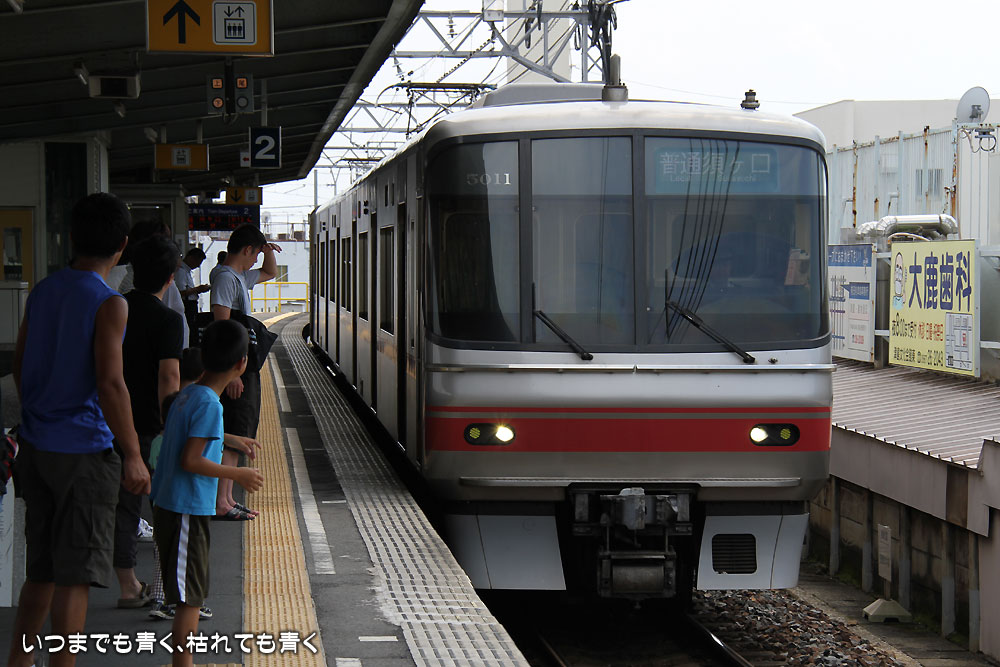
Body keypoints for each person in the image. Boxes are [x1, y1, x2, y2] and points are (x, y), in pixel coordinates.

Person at [8, 192, 150, 667]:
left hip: (36, 447)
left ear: (71, 237)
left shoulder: (43, 290)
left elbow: (20, 364)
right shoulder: (109, 302)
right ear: (122, 245)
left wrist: (39, 414)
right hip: (84, 454)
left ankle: (19, 661)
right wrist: (133, 454)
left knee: (41, 569)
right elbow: (111, 384)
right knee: (74, 577)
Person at [150, 319, 263, 667]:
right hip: (185, 507)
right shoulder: (211, 404)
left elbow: (188, 436)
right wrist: (238, 474)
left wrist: (231, 439)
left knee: (190, 593)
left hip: (171, 503)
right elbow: (192, 459)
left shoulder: (189, 394)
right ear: (241, 363)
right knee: (190, 599)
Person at [114, 236, 184, 609]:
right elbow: (169, 377)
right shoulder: (168, 320)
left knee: (124, 505)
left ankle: (128, 583)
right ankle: (167, 587)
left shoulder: (114, 308)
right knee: (165, 505)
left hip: (110, 419)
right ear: (171, 278)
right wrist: (170, 426)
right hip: (149, 426)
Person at [209, 224, 279, 519]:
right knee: (236, 430)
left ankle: (226, 498)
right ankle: (221, 501)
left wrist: (267, 250)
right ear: (247, 250)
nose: (256, 262)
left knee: (240, 429)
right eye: (255, 255)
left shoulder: (238, 276)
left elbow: (270, 272)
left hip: (241, 363)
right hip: (236, 366)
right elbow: (221, 325)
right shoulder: (227, 278)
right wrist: (232, 373)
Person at [175, 248, 210, 343]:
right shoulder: (181, 272)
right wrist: (198, 289)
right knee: (190, 330)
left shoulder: (186, 271)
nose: (198, 265)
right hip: (187, 305)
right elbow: (181, 292)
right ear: (191, 258)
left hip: (191, 304)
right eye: (198, 262)